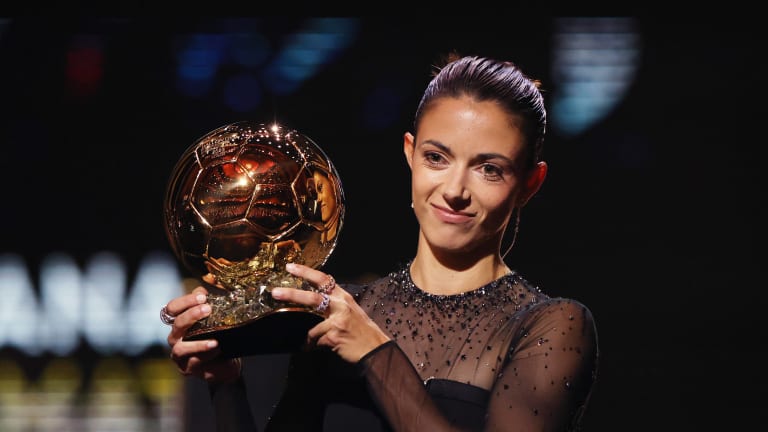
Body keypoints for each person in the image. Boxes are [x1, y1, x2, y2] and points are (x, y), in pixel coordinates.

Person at [163, 53, 599, 431]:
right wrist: (225, 383)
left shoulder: (550, 328)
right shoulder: (342, 313)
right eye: (436, 158)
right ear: (410, 153)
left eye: (489, 169)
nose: (455, 189)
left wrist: (374, 352)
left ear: (530, 182)